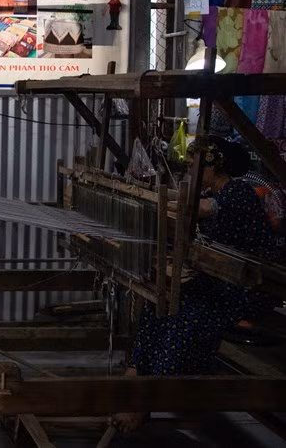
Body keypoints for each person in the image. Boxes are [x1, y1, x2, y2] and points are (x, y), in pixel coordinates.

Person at [112, 135, 283, 433]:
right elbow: (191, 203)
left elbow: (201, 209)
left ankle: (144, 401)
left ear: (214, 168)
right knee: (159, 304)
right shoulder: (210, 193)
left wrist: (155, 198)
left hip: (249, 286)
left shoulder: (237, 193)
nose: (190, 171)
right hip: (221, 277)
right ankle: (134, 380)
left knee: (185, 313)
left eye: (194, 166)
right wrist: (149, 194)